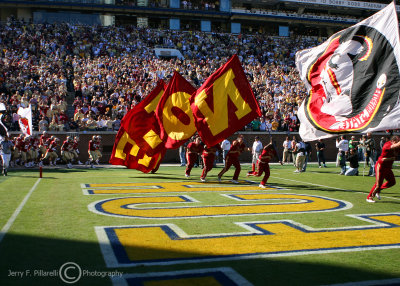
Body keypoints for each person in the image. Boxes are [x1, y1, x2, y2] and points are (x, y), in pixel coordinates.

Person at [366, 135, 400, 203]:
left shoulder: (396, 146)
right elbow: (394, 146)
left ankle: (379, 189)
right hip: (381, 166)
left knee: (392, 182)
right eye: (396, 142)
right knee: (378, 184)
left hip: (388, 167)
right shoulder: (387, 144)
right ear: (392, 141)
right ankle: (369, 197)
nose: (397, 143)